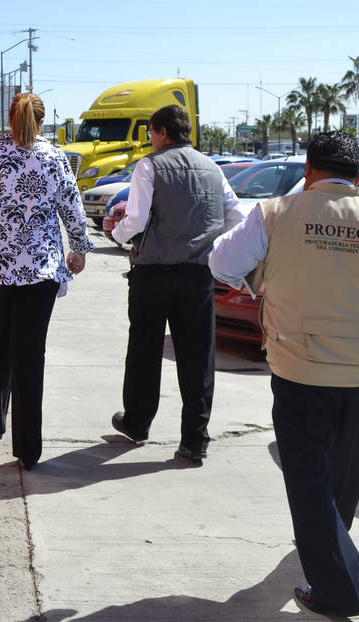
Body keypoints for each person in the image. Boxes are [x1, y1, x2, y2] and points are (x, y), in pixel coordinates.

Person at [209, 130, 359, 618]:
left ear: (308, 172)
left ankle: (337, 585)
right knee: (348, 465)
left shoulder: (275, 213)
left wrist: (257, 281)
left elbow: (221, 261)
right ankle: (333, 541)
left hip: (300, 369)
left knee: (309, 480)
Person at [0, 92, 92, 469]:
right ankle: (28, 448)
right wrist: (78, 248)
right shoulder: (55, 158)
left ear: (9, 119)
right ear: (42, 121)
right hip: (40, 270)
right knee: (31, 353)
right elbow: (71, 207)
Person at [108, 104, 243, 461]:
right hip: (199, 274)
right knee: (198, 357)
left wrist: (118, 232)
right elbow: (236, 216)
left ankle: (138, 421)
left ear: (163, 132)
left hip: (153, 272)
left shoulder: (150, 167)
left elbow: (135, 219)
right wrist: (210, 242)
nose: (150, 140)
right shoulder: (214, 168)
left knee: (145, 351)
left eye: (151, 133)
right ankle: (195, 438)